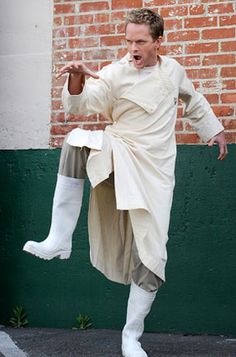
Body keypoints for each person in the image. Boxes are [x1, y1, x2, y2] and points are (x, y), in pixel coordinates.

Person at [23, 8, 228, 357]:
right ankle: (59, 237)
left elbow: (194, 101)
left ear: (157, 43)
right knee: (75, 140)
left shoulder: (174, 71)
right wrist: (76, 79)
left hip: (156, 170)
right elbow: (81, 105)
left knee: (152, 257)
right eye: (128, 40)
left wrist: (215, 130)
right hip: (120, 149)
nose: (132, 47)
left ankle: (131, 336)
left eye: (140, 41)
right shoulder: (115, 73)